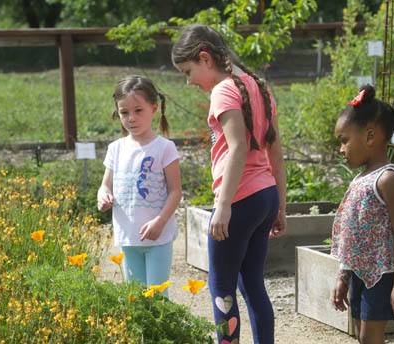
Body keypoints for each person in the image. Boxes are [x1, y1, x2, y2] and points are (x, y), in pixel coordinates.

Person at [172, 24, 287, 344]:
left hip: (239, 199)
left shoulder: (223, 90)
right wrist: (281, 205)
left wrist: (221, 207)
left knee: (222, 288)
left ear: (205, 57)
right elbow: (275, 151)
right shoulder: (259, 85)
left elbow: (237, 147)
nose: (189, 81)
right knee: (253, 286)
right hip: (264, 197)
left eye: (188, 71)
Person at [330, 85, 394, 344]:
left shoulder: (387, 179)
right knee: (361, 335)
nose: (342, 148)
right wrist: (343, 276)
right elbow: (351, 234)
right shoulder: (360, 179)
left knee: (369, 338)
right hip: (360, 271)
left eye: (345, 140)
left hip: (384, 273)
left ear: (370, 137)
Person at [97, 75, 182, 296]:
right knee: (134, 298)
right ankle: (141, 333)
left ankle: (160, 333)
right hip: (128, 235)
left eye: (138, 111)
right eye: (124, 113)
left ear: (154, 109)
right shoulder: (115, 148)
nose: (131, 118)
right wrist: (103, 195)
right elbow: (105, 185)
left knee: (156, 296)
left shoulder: (164, 147)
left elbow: (175, 191)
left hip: (157, 236)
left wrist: (160, 222)